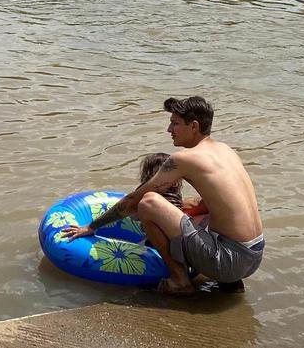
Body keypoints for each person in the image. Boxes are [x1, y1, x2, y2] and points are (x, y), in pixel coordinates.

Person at [62, 96, 264, 295]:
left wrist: (91, 226)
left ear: (194, 126)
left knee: (148, 203)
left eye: (174, 124)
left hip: (227, 260)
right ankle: (230, 284)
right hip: (253, 256)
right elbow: (215, 203)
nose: (169, 130)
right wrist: (179, 211)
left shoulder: (184, 159)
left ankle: (179, 281)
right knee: (204, 213)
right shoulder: (225, 151)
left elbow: (135, 200)